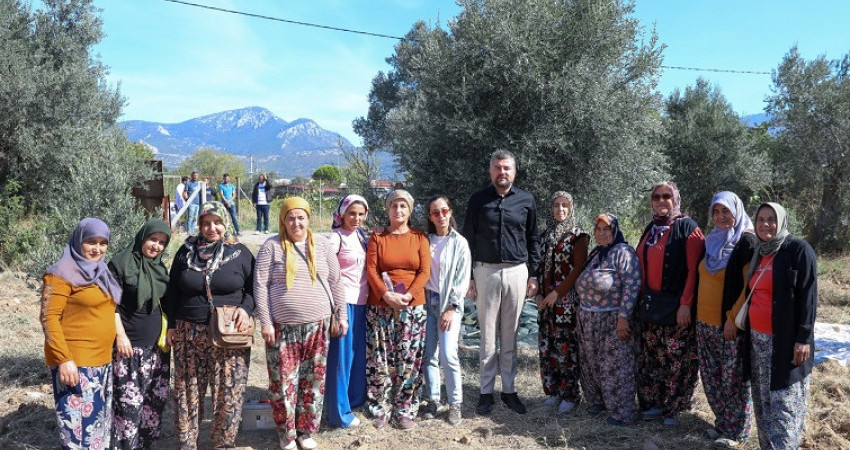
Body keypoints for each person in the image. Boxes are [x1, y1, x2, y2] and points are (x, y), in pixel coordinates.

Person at [254, 197, 348, 450]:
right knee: (283, 383)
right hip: (282, 328)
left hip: (319, 326)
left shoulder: (324, 245)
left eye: (301, 217)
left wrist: (341, 316)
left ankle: (306, 431)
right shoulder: (271, 247)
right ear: (283, 221)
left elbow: (336, 282)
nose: (296, 222)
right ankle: (286, 434)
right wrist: (266, 322)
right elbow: (260, 286)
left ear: (308, 219)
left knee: (313, 382)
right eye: (290, 218)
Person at [162, 201, 255, 449]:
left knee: (228, 391)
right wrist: (171, 325)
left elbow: (253, 289)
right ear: (199, 225)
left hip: (229, 333)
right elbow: (172, 291)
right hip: (187, 331)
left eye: (217, 222)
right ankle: (187, 443)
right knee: (187, 389)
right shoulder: (185, 252)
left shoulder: (240, 252)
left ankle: (223, 443)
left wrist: (246, 310)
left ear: (225, 223)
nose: (211, 228)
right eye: (206, 223)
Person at [462, 149, 540, 415]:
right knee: (486, 336)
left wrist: (534, 274)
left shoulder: (527, 200)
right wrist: (469, 277)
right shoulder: (478, 200)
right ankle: (485, 392)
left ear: (514, 172)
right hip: (485, 272)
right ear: (490, 171)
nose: (502, 172)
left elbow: (533, 239)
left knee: (510, 335)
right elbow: (468, 239)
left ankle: (509, 390)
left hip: (517, 272)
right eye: (497, 168)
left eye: (506, 168)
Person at [739, 202, 816, 449]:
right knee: (763, 405)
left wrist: (803, 338)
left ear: (781, 220)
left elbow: (808, 297)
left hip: (786, 343)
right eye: (760, 219)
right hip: (758, 342)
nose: (765, 224)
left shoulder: (798, 250)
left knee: (785, 407)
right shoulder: (759, 251)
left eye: (771, 219)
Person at [40, 218, 122, 450]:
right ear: (78, 241)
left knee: (96, 430)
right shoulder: (60, 274)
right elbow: (49, 318)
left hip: (102, 362)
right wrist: (64, 360)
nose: (97, 249)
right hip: (76, 365)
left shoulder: (101, 271)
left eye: (103, 243)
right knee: (77, 433)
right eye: (91, 242)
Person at [635, 181, 704, 426]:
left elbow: (694, 270)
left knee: (677, 361)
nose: (661, 200)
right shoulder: (651, 228)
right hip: (652, 308)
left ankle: (674, 407)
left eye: (667, 196)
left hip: (677, 308)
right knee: (653, 359)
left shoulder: (688, 227)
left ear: (675, 199)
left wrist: (686, 303)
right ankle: (653, 405)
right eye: (656, 197)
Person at [365, 189, 430, 430]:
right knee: (379, 358)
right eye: (394, 206)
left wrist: (408, 295)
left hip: (412, 306)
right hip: (381, 305)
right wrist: (385, 294)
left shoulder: (419, 237)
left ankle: (405, 409)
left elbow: (424, 271)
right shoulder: (377, 236)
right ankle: (379, 408)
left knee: (409, 359)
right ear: (387, 209)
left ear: (410, 210)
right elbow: (371, 270)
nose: (398, 210)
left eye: (403, 206)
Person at [695, 192, 755, 447]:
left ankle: (737, 432)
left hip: (729, 324)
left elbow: (749, 287)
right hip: (703, 322)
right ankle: (722, 423)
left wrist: (732, 318)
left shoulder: (746, 243)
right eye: (716, 212)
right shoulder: (711, 241)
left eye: (725, 211)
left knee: (734, 380)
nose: (720, 217)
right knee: (712, 377)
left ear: (736, 212)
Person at [109, 219, 172, 449]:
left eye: (162, 242)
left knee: (153, 407)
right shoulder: (121, 264)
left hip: (157, 351)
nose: (156, 246)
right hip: (129, 350)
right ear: (142, 237)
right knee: (128, 409)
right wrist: (120, 336)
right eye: (153, 239)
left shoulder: (160, 268)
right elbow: (109, 305)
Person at [575, 213, 641, 426]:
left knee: (616, 365)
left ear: (614, 231)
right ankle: (599, 401)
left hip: (612, 319)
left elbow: (632, 285)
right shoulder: (596, 253)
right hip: (589, 318)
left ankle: (622, 413)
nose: (602, 233)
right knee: (592, 363)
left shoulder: (623, 252)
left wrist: (623, 317)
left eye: (606, 229)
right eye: (598, 229)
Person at [534, 191, 588, 414]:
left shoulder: (579, 236)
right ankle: (553, 391)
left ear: (571, 208)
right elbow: (538, 266)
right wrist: (538, 293)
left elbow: (578, 269)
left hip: (566, 302)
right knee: (548, 347)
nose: (560, 210)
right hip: (546, 303)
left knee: (566, 348)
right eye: (556, 205)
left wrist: (558, 292)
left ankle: (569, 395)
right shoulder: (545, 235)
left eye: (565, 205)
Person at [421, 195, 471, 426]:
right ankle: (432, 400)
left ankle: (455, 404)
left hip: (448, 303)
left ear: (450, 212)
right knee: (429, 355)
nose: (440, 216)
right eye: (435, 212)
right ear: (430, 217)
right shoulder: (424, 240)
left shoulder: (459, 242)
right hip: (426, 302)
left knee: (448, 354)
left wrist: (451, 308)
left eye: (444, 211)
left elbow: (461, 279)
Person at [325, 195, 370, 429]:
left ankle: (353, 401)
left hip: (362, 303)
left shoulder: (362, 237)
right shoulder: (335, 239)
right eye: (352, 213)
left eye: (361, 214)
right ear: (342, 213)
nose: (356, 218)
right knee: (340, 360)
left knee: (355, 356)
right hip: (343, 304)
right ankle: (338, 413)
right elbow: (327, 272)